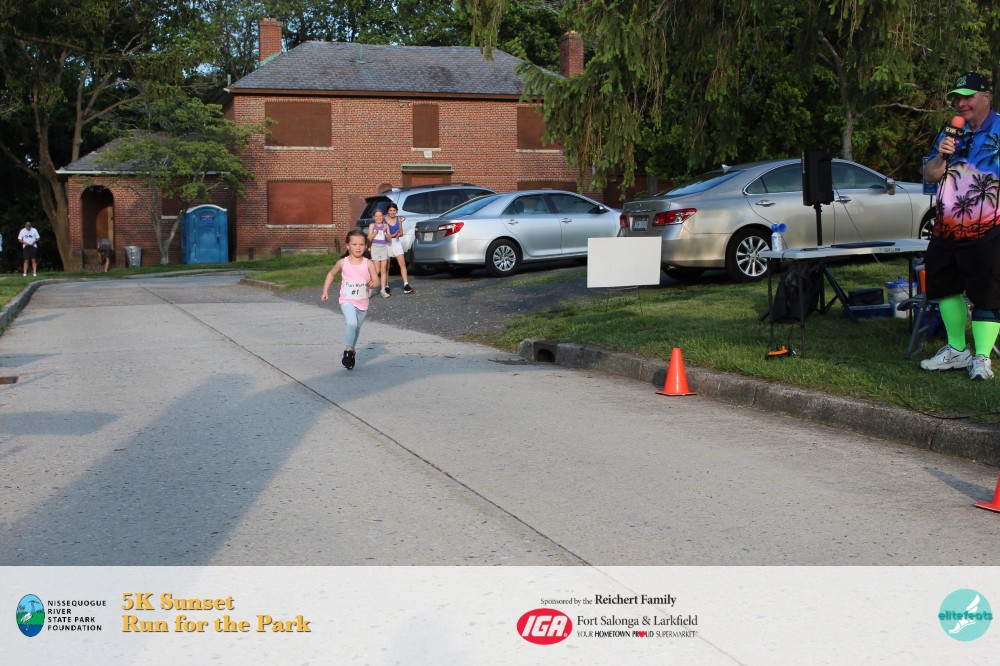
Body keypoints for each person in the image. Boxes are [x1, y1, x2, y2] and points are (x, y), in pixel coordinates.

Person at [921, 71, 1000, 381]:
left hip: (988, 227)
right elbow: (930, 175)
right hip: (946, 228)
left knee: (986, 294)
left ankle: (982, 358)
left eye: (968, 97)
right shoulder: (950, 132)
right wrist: (942, 155)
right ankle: (957, 349)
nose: (961, 103)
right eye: (957, 98)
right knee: (944, 288)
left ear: (986, 97)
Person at [321, 228, 379, 370]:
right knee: (351, 323)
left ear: (366, 246)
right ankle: (348, 350)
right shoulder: (343, 262)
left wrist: (373, 284)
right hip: (346, 299)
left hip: (362, 302)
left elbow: (377, 280)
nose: (358, 247)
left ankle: (352, 350)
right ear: (347, 246)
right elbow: (331, 274)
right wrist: (325, 290)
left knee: (356, 327)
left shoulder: (368, 263)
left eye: (361, 244)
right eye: (354, 244)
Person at [384, 203, 415, 294]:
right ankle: (386, 286)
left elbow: (401, 233)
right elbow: (385, 235)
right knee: (387, 266)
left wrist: (399, 234)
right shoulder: (384, 220)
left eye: (394, 210)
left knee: (402, 264)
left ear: (397, 211)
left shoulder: (399, 219)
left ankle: (406, 285)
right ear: (387, 211)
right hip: (387, 244)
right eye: (390, 210)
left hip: (396, 243)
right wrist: (393, 235)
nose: (392, 212)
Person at [367, 209, 392, 298]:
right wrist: (376, 232)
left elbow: (389, 239)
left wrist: (385, 232)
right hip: (375, 248)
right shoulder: (372, 225)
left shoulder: (386, 226)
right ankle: (370, 288)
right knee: (376, 270)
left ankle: (383, 290)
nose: (379, 218)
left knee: (383, 270)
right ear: (374, 217)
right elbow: (369, 238)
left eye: (380, 216)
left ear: (383, 217)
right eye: (377, 216)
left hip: (384, 248)